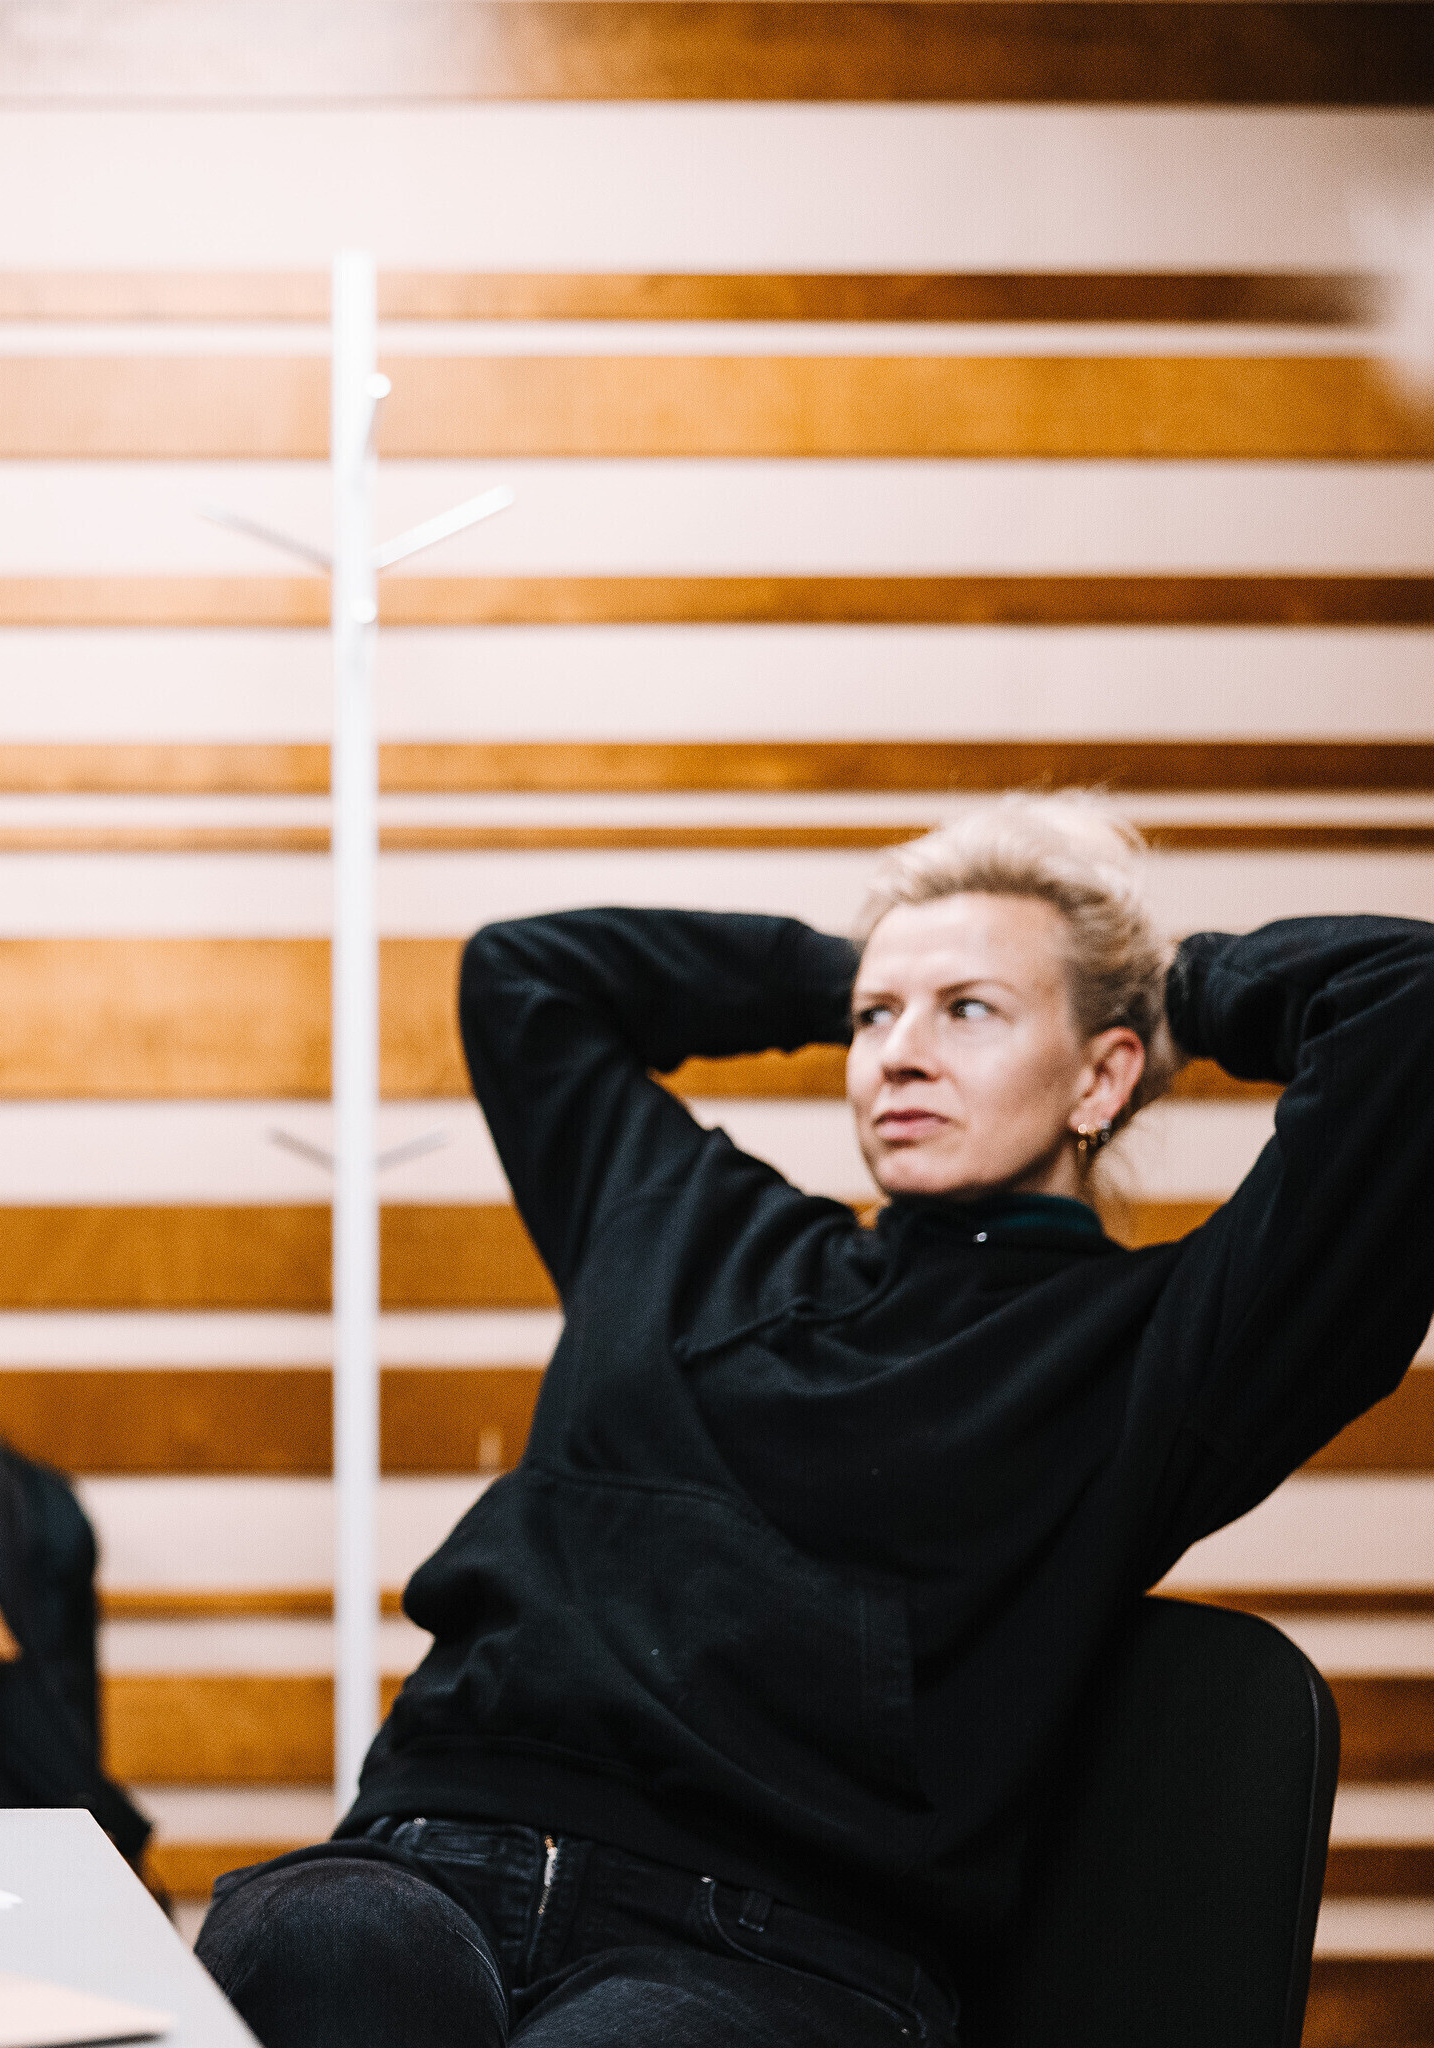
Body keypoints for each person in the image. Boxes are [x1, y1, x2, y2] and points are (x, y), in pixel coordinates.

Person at [197, 796, 1434, 2045]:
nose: (899, 1053)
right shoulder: (685, 1221)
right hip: (432, 1852)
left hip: (771, 1944)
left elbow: (1411, 1004)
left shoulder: (1158, 1347)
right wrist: (860, 965)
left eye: (970, 1011)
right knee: (311, 1944)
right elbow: (526, 975)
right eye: (873, 1018)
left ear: (1101, 1073)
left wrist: (1173, 988)